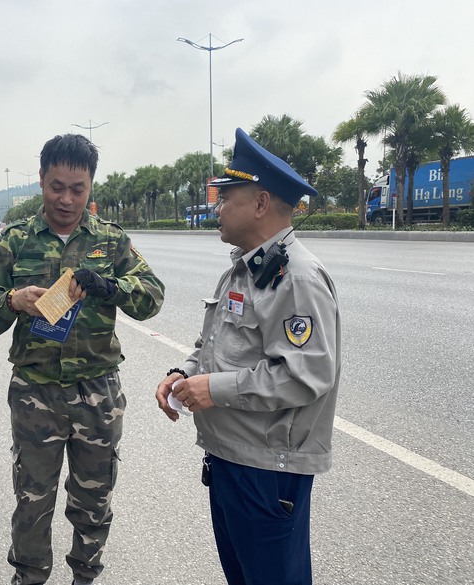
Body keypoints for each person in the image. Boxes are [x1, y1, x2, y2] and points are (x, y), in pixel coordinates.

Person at [0, 134, 165, 585]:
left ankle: (85, 576)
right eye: (56, 186)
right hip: (35, 392)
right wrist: (15, 301)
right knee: (32, 498)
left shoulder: (111, 241)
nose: (66, 198)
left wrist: (110, 287)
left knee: (93, 498)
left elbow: (152, 297)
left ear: (90, 186)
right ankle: (31, 577)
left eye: (77, 189)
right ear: (41, 180)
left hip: (97, 393)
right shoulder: (16, 240)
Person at [155, 128, 341, 585]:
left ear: (259, 203)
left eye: (226, 198)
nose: (217, 208)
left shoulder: (295, 278)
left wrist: (212, 389)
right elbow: (219, 347)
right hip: (233, 459)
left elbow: (306, 375)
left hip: (268, 471)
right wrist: (185, 373)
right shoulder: (245, 268)